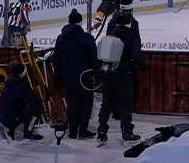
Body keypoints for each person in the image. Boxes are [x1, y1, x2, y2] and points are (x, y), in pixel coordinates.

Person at [97, 8, 142, 144]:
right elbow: (136, 56)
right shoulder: (131, 37)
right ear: (128, 23)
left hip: (108, 75)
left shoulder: (109, 37)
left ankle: (102, 130)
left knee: (106, 103)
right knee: (125, 105)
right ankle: (127, 131)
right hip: (124, 75)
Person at [52, 9, 96, 140]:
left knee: (72, 104)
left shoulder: (60, 39)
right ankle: (82, 130)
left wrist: (59, 77)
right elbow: (93, 59)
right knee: (86, 104)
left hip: (68, 79)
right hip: (84, 78)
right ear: (80, 22)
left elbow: (56, 60)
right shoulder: (87, 38)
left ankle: (72, 131)